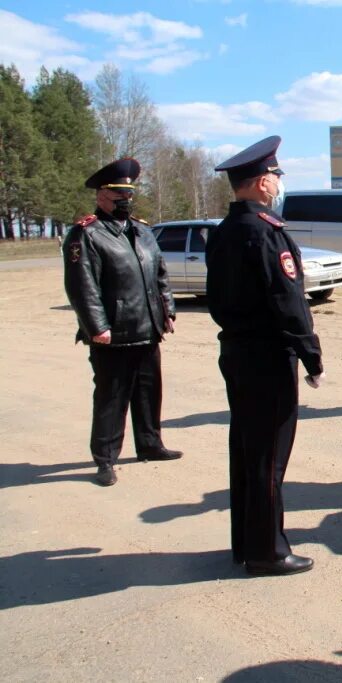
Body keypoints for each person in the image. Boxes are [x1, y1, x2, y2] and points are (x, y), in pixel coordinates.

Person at [206, 136, 324, 577]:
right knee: (269, 457)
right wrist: (311, 356)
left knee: (247, 450)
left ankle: (246, 542)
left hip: (236, 350)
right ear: (260, 183)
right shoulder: (264, 231)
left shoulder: (225, 230)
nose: (277, 182)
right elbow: (288, 301)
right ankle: (268, 551)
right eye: (275, 175)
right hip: (268, 355)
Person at [62, 158, 182, 487]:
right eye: (118, 194)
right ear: (102, 196)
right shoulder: (85, 234)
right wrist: (95, 326)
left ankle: (150, 444)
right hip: (112, 333)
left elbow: (160, 275)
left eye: (129, 193)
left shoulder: (143, 231)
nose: (125, 200)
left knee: (148, 391)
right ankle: (105, 458)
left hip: (147, 328)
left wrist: (166, 310)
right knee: (111, 398)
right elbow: (81, 286)